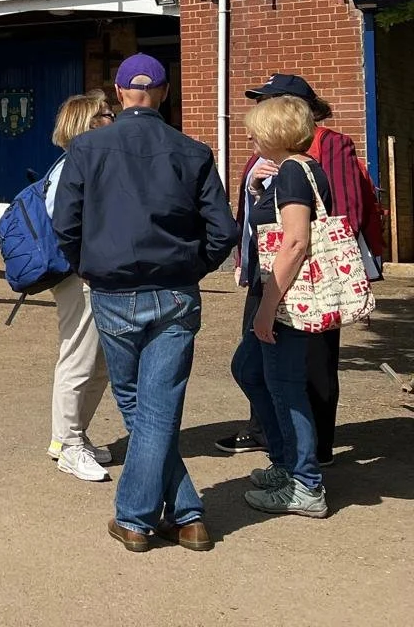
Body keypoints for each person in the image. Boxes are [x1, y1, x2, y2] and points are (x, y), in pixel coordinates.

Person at [52, 54, 239, 552]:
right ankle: (186, 515)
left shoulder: (87, 148)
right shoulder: (193, 151)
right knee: (156, 403)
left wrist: (87, 264)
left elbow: (65, 225)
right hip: (175, 289)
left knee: (140, 402)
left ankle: (137, 517)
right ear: (165, 91)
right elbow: (224, 231)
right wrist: (191, 267)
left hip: (113, 289)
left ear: (118, 91)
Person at [218, 72, 383, 461]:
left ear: (291, 110)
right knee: (260, 364)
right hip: (266, 271)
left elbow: (341, 213)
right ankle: (267, 432)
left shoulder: (327, 147)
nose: (259, 109)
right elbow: (256, 214)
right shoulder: (266, 156)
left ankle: (314, 450)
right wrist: (254, 188)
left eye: (267, 101)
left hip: (307, 277)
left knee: (312, 365)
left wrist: (325, 268)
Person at [230, 95, 332, 519]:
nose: (249, 134)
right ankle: (286, 463)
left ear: (276, 131)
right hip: (281, 296)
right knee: (249, 371)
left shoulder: (292, 172)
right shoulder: (293, 171)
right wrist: (257, 190)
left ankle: (305, 484)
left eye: (256, 128)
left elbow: (294, 242)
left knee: (285, 387)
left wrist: (266, 307)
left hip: (286, 299)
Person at [43, 93, 116, 482]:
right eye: (106, 114)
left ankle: (74, 436)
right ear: (88, 123)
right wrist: (86, 263)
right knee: (78, 358)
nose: (113, 118)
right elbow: (62, 223)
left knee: (100, 362)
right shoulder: (72, 166)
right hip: (79, 275)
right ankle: (67, 444)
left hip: (97, 272)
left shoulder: (92, 162)